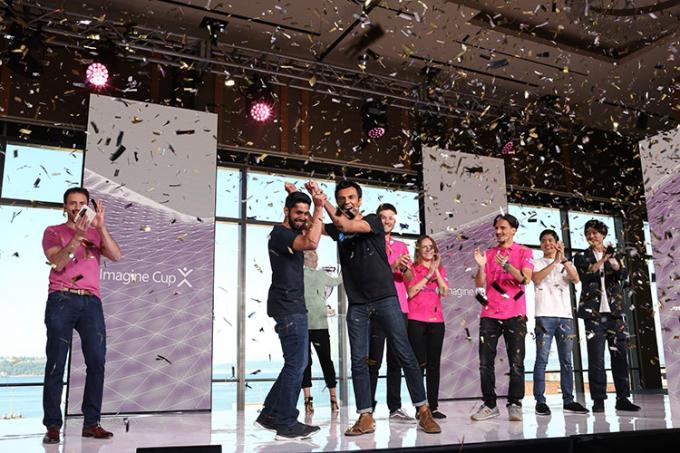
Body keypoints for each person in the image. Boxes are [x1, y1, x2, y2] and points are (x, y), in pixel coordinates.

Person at [322, 180, 441, 436]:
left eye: (351, 197)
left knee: (404, 354)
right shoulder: (338, 229)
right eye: (342, 198)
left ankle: (423, 411)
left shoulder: (373, 221)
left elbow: (345, 224)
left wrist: (323, 200)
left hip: (386, 300)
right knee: (359, 361)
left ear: (360, 201)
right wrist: (314, 205)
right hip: (357, 305)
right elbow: (317, 230)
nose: (347, 202)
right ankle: (366, 416)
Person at [41, 187, 121, 444]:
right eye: (72, 203)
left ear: (88, 206)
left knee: (97, 362)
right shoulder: (53, 231)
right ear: (64, 207)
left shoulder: (97, 233)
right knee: (56, 362)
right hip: (61, 298)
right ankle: (53, 425)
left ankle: (91, 423)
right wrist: (77, 236)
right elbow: (58, 262)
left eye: (82, 203)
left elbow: (116, 255)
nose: (77, 207)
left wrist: (101, 227)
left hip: (91, 302)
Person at [254, 182, 327, 441]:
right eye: (298, 213)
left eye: (305, 213)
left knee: (295, 363)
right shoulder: (281, 235)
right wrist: (318, 207)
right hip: (288, 307)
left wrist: (299, 197)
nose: (303, 218)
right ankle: (286, 423)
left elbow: (309, 230)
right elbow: (312, 242)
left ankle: (270, 414)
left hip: (289, 305)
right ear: (286, 212)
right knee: (297, 363)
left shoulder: (285, 232)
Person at [471, 213, 533, 422]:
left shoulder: (524, 251)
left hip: (515, 314)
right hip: (489, 313)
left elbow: (525, 279)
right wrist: (481, 266)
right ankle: (489, 404)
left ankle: (515, 403)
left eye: (503, 228)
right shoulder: (488, 254)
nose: (498, 232)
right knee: (484, 362)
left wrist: (507, 265)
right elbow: (479, 285)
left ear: (513, 230)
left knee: (516, 362)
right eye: (497, 228)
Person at [574, 219, 640, 413]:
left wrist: (612, 260)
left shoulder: (616, 256)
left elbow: (623, 276)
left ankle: (623, 398)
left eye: (595, 232)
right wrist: (603, 260)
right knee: (596, 359)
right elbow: (586, 275)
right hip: (593, 315)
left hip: (615, 314)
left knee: (620, 357)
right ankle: (598, 400)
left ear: (603, 234)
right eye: (588, 233)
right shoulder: (581, 256)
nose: (591, 236)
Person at [531, 229, 588, 416]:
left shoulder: (565, 263)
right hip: (544, 316)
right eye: (543, 241)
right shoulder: (536, 262)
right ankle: (540, 401)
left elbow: (576, 279)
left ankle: (568, 400)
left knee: (567, 362)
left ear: (556, 243)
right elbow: (536, 279)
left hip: (565, 317)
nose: (547, 243)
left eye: (550, 240)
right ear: (540, 245)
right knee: (541, 360)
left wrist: (562, 260)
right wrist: (554, 262)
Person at [368, 203, 415, 423]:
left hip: (400, 308)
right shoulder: (370, 243)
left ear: (394, 220)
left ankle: (395, 407)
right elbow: (374, 276)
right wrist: (393, 264)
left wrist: (404, 268)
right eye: (383, 217)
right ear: (377, 219)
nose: (387, 221)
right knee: (374, 360)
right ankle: (367, 409)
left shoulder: (403, 246)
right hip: (377, 307)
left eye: (390, 218)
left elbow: (408, 280)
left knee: (396, 360)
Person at [405, 235, 449, 419]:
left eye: (431, 247)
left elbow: (445, 291)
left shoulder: (440, 268)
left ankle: (434, 406)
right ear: (418, 250)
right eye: (424, 247)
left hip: (436, 322)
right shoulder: (412, 269)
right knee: (418, 365)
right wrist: (428, 274)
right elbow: (410, 292)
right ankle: (420, 407)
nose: (428, 250)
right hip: (416, 321)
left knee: (434, 365)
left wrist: (435, 270)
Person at [301, 249, 342, 415]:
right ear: (310, 260)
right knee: (326, 361)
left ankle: (307, 401)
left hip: (303, 325)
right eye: (315, 259)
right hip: (319, 325)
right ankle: (333, 399)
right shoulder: (321, 276)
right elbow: (338, 281)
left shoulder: (297, 276)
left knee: (305, 363)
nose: (317, 262)